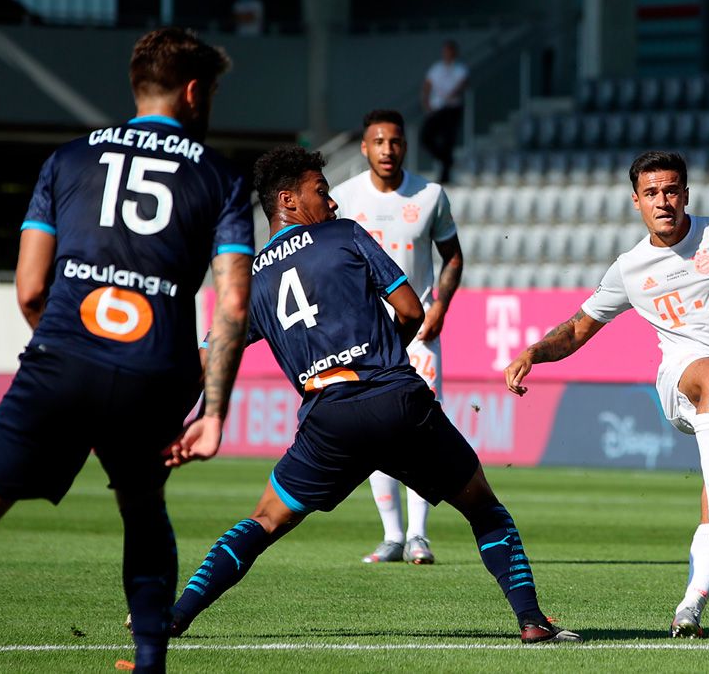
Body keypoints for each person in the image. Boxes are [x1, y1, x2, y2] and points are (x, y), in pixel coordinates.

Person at [0, 28, 254, 673]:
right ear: (195, 90)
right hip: (153, 370)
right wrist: (214, 410)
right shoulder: (221, 177)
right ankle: (150, 665)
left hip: (61, 359)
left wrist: (68, 363)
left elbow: (31, 288)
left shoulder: (67, 159)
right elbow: (233, 304)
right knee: (143, 510)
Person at [165, 146, 579, 644]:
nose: (333, 204)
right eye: (321, 192)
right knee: (486, 511)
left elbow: (210, 358)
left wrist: (169, 418)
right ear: (288, 200)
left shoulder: (251, 279)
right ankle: (533, 621)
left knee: (264, 522)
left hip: (328, 421)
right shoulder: (345, 235)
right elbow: (410, 312)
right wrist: (382, 355)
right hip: (396, 402)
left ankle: (174, 616)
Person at [503, 151, 709, 639]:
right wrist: (533, 352)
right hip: (684, 375)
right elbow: (576, 330)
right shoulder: (631, 267)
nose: (664, 201)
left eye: (672, 190)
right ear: (636, 201)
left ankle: (690, 607)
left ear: (686, 194)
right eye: (652, 193)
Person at [330, 109, 464, 566]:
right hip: (365, 336)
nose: (388, 149)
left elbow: (453, 258)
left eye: (396, 141)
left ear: (405, 146)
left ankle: (419, 536)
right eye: (379, 142)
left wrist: (440, 305)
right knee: (372, 428)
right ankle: (391, 536)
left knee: (422, 427)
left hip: (420, 333)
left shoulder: (430, 195)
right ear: (365, 147)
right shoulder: (344, 198)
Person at [419, 40, 468, 184]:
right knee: (426, 137)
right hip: (437, 108)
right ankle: (447, 161)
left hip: (451, 109)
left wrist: (450, 95)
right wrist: (426, 101)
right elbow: (427, 84)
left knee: (448, 142)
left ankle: (445, 174)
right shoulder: (437, 68)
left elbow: (462, 84)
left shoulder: (460, 69)